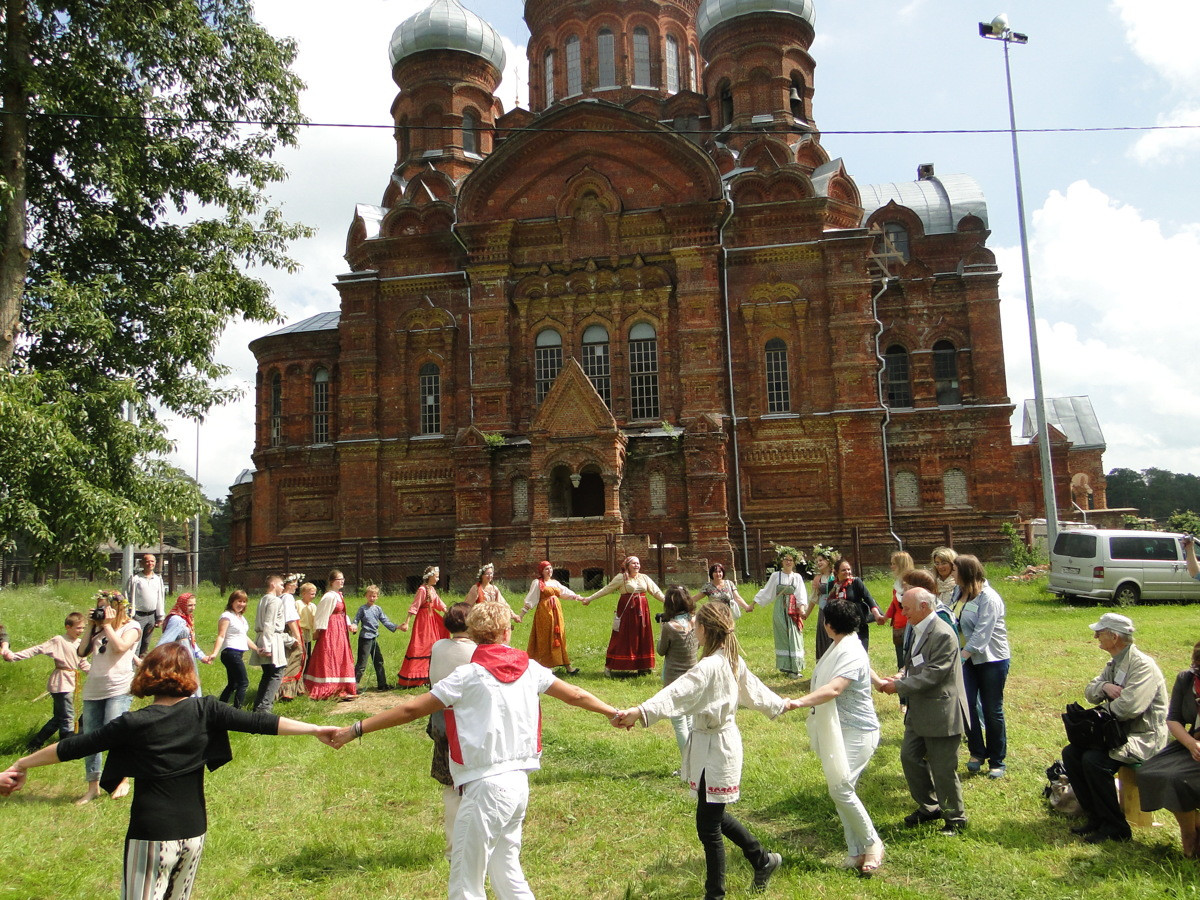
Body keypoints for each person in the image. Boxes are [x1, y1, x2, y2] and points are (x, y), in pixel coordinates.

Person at [325, 601, 620, 900]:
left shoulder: (467, 676)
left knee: (466, 883)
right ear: (507, 632)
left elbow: (410, 710)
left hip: (485, 785)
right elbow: (577, 694)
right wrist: (612, 712)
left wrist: (355, 729)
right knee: (507, 869)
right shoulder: (530, 668)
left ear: (474, 634)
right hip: (519, 782)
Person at [0, 643, 336, 900]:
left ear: (147, 675)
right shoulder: (207, 710)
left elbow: (74, 746)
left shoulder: (133, 722)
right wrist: (315, 728)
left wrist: (21, 763)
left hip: (150, 834)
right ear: (189, 675)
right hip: (194, 833)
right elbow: (262, 722)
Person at [614, 602, 797, 900]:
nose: (693, 630)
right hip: (711, 744)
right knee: (713, 815)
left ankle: (716, 894)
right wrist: (780, 704)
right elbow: (747, 692)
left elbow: (679, 691)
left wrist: (641, 711)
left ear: (705, 630)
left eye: (696, 625)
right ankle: (762, 859)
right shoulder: (726, 658)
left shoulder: (714, 664)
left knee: (708, 826)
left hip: (718, 748)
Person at [794, 599, 884, 875]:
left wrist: (796, 702)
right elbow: (861, 668)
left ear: (828, 625)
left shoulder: (851, 650)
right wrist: (879, 681)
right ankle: (855, 851)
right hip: (840, 729)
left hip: (859, 731)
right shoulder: (843, 645)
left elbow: (835, 688)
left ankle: (872, 844)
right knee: (842, 790)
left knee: (840, 788)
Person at [1062, 612, 1168, 844]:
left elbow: (1129, 707)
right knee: (1070, 753)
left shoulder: (1143, 666)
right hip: (1116, 732)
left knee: (1094, 760)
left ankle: (1115, 826)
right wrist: (1106, 686)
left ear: (1115, 636)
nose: (1095, 636)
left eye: (1100, 632)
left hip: (1142, 737)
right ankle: (1096, 818)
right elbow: (1090, 691)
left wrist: (1098, 715)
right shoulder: (1115, 663)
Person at [877, 587, 969, 835]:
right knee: (909, 757)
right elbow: (914, 662)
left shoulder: (943, 634)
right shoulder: (917, 628)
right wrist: (901, 674)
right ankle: (930, 806)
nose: (902, 612)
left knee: (942, 768)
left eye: (906, 607)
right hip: (919, 711)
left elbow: (934, 674)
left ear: (924, 607)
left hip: (941, 712)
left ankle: (955, 819)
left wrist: (898, 686)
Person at [76, 590, 142, 805]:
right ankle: (92, 786)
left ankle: (122, 779)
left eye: (104, 607)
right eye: (98, 607)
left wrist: (107, 626)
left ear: (118, 607)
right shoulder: (96, 629)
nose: (100, 611)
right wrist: (90, 625)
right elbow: (81, 652)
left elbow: (121, 647)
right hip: (94, 690)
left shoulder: (131, 627)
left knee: (116, 735)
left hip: (118, 689)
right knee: (91, 738)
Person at [1138, 639, 1200, 857]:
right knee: (1148, 772)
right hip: (1192, 744)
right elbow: (1173, 719)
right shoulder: (1187, 679)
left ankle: (1188, 836)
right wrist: (1191, 743)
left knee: (1176, 779)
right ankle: (1193, 826)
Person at [953, 554, 1011, 778]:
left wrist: (962, 657)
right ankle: (977, 752)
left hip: (991, 660)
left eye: (956, 570)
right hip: (965, 659)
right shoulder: (958, 593)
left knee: (991, 709)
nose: (952, 573)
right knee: (966, 706)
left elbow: (982, 634)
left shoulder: (989, 597)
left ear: (966, 572)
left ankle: (997, 761)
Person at [427, 602, 476, 861]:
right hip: (469, 725)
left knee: (451, 788)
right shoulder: (478, 651)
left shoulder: (437, 646)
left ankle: (453, 849)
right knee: (472, 787)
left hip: (441, 724)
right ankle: (470, 846)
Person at [4, 612, 90, 750]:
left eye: (83, 628)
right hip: (61, 682)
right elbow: (37, 649)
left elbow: (83, 663)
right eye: (78, 628)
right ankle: (66, 748)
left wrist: (98, 674)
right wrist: (14, 656)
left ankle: (35, 743)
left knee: (58, 718)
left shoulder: (80, 643)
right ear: (68, 627)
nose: (81, 631)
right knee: (68, 716)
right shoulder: (59, 640)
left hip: (71, 681)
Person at [585, 555, 666, 676]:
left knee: (642, 636)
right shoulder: (621, 578)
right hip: (627, 610)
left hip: (642, 611)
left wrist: (670, 602)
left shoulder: (644, 577)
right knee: (622, 636)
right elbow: (607, 589)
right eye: (634, 563)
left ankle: (643, 665)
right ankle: (610, 665)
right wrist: (589, 598)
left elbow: (656, 592)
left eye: (638, 563)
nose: (637, 565)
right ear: (627, 565)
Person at [657, 585, 698, 774]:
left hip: (674, 679)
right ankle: (696, 762)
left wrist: (661, 629)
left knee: (679, 723)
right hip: (693, 676)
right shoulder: (696, 622)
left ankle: (688, 766)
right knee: (690, 720)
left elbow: (661, 651)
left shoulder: (669, 627)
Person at [519, 561, 583, 675]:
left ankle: (568, 666)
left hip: (556, 613)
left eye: (550, 568)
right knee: (545, 637)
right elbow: (531, 600)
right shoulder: (537, 583)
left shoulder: (555, 583)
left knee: (559, 636)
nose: (550, 571)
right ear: (541, 572)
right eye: (546, 569)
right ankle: (545, 666)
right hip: (544, 613)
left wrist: (578, 597)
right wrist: (521, 615)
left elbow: (564, 593)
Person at [751, 550, 808, 677]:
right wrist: (752, 604)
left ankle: (795, 668)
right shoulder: (776, 576)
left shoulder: (797, 577)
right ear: (781, 561)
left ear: (794, 563)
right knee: (782, 634)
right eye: (786, 560)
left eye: (791, 560)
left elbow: (801, 594)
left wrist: (802, 608)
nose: (788, 562)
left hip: (792, 608)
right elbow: (767, 591)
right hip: (779, 608)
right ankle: (785, 667)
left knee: (794, 634)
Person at [306, 569, 358, 700]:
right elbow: (321, 614)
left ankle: (341, 687)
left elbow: (342, 613)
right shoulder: (329, 596)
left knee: (340, 655)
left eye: (343, 579)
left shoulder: (338, 595)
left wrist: (349, 625)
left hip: (340, 629)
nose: (342, 581)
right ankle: (328, 688)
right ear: (331, 582)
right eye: (339, 579)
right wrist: (319, 631)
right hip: (331, 630)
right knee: (331, 655)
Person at [398, 566, 449, 688]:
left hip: (432, 619)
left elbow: (439, 603)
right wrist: (407, 622)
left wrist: (450, 613)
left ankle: (430, 675)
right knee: (423, 645)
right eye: (436, 576)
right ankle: (417, 677)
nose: (437, 579)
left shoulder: (431, 589)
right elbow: (415, 606)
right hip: (423, 621)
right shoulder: (422, 590)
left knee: (435, 642)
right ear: (430, 576)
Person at [209, 590, 261, 709]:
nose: (241, 604)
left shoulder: (240, 618)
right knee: (243, 683)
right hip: (230, 652)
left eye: (244, 602)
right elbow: (221, 636)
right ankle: (237, 711)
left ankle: (218, 707)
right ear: (232, 601)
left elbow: (244, 636)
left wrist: (257, 649)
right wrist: (214, 653)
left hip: (238, 653)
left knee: (233, 684)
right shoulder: (227, 616)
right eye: (239, 601)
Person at [827, 559, 884, 652]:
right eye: (843, 570)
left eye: (849, 569)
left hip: (857, 623)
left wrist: (877, 615)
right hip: (839, 625)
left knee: (860, 652)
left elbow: (868, 598)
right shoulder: (831, 585)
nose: (847, 572)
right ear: (836, 572)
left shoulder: (856, 582)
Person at [250, 574, 288, 711]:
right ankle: (265, 707)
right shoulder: (274, 601)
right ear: (273, 585)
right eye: (281, 584)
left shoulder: (263, 599)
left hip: (264, 637)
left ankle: (258, 705)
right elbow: (269, 623)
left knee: (268, 674)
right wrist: (267, 645)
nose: (283, 587)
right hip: (272, 639)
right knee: (277, 673)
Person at [158, 593, 207, 696]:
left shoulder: (186, 618)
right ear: (182, 604)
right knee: (183, 682)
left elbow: (191, 641)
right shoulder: (177, 620)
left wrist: (201, 656)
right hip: (180, 657)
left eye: (194, 605)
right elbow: (165, 641)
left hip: (188, 655)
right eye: (189, 605)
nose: (192, 608)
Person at [354, 584, 399, 691]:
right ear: (366, 596)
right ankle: (353, 687)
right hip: (365, 639)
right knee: (362, 663)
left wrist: (396, 627)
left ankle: (382, 684)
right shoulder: (363, 609)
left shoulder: (378, 609)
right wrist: (354, 626)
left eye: (374, 596)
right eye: (370, 596)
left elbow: (385, 620)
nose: (372, 598)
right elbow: (356, 619)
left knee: (379, 661)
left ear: (377, 597)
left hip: (374, 638)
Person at [126, 553, 165, 657]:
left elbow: (160, 598)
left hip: (151, 617)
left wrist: (160, 617)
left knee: (146, 644)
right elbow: (127, 596)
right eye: (147, 561)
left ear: (155, 563)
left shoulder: (157, 579)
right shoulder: (135, 579)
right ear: (142, 563)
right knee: (136, 644)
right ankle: (132, 669)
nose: (150, 563)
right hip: (137, 616)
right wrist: (128, 614)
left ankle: (142, 668)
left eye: (152, 561)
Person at [881, 552, 914, 670]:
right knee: (901, 661)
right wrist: (885, 617)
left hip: (910, 626)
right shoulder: (897, 584)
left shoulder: (912, 583)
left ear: (901, 565)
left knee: (910, 659)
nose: (891, 567)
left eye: (894, 564)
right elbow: (894, 604)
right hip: (898, 627)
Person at [277, 574, 307, 701]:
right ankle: (286, 692)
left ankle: (296, 689)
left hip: (287, 630)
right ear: (288, 585)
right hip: (290, 630)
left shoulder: (280, 597)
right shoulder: (288, 598)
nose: (296, 586)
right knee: (294, 657)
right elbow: (290, 619)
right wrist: (297, 637)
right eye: (295, 584)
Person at [810, 548, 838, 662]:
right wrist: (806, 614)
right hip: (823, 610)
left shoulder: (835, 576)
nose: (819, 563)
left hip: (835, 610)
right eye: (817, 561)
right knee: (823, 634)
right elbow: (813, 598)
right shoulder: (818, 579)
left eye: (821, 560)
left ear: (828, 561)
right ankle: (823, 663)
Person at [297, 580, 318, 662]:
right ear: (303, 594)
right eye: (311, 594)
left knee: (308, 655)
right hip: (300, 631)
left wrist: (315, 632)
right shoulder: (298, 604)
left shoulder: (313, 606)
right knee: (300, 654)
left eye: (315, 594)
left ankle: (306, 672)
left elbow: (315, 620)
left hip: (307, 633)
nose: (314, 596)